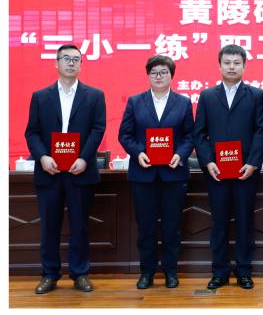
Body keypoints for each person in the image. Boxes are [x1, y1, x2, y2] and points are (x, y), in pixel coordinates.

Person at [24, 44, 106, 294]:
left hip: (80, 171)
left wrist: (84, 158)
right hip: (49, 172)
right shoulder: (41, 96)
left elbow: (98, 129)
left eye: (76, 59)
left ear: (81, 64)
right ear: (56, 63)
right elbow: (32, 132)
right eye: (66, 58)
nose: (71, 63)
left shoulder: (94, 95)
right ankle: (49, 274)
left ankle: (80, 273)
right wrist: (42, 157)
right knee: (50, 226)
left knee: (79, 225)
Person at [117, 55, 195, 289]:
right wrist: (138, 152)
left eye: (163, 72)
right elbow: (124, 134)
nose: (159, 76)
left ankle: (171, 272)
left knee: (172, 227)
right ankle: (147, 272)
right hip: (144, 173)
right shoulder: (135, 102)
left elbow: (190, 135)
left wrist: (180, 154)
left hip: (173, 173)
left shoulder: (183, 102)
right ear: (148, 75)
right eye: (154, 73)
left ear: (172, 75)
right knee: (146, 227)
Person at [193, 43, 263, 289]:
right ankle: (219, 272)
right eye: (227, 63)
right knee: (219, 223)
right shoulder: (207, 96)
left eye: (237, 63)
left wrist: (253, 163)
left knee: (245, 222)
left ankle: (244, 272)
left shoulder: (256, 95)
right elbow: (199, 134)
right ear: (219, 66)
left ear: (244, 66)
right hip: (217, 171)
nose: (232, 67)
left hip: (246, 171)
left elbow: (260, 131)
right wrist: (208, 162)